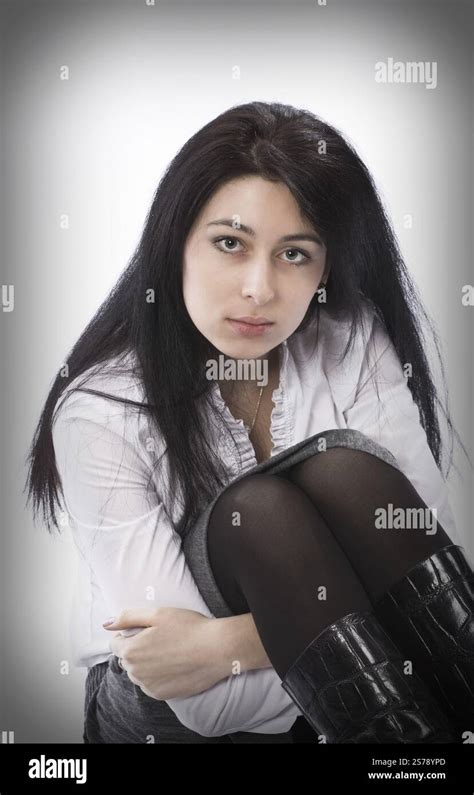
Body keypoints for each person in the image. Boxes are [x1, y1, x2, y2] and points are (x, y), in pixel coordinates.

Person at [25, 101, 474, 744]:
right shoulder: (101, 409)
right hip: (158, 710)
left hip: (330, 689)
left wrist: (222, 645)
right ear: (175, 241)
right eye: (230, 243)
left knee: (344, 474)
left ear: (325, 266)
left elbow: (431, 571)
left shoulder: (349, 338)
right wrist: (377, 622)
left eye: (294, 254)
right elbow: (208, 705)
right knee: (260, 512)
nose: (260, 289)